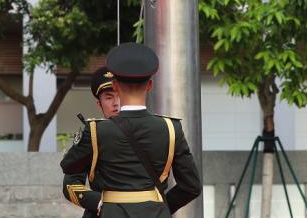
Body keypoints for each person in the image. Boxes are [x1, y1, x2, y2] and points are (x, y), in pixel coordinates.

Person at [61, 43, 202, 217]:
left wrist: (108, 208)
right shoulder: (171, 128)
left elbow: (67, 166)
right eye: (108, 97)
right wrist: (158, 208)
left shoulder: (93, 131)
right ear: (150, 85)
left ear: (117, 86)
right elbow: (191, 186)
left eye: (116, 94)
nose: (115, 103)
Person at [62, 66, 121, 217]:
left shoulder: (148, 130)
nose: (116, 103)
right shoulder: (92, 134)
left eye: (120, 95)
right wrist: (101, 203)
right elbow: (70, 184)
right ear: (99, 104)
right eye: (109, 97)